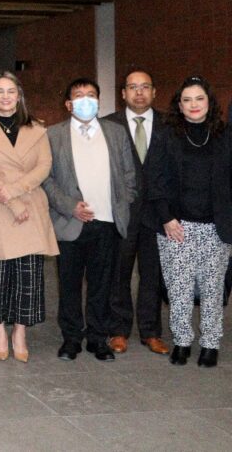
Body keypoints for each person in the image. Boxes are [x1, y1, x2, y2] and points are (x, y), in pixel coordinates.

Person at [43, 78, 137, 362]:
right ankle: (71, 338)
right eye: (79, 95)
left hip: (107, 222)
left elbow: (129, 175)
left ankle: (98, 337)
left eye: (91, 95)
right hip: (70, 222)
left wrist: (122, 201)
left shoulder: (116, 133)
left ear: (99, 100)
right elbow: (46, 179)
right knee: (69, 285)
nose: (86, 100)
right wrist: (70, 206)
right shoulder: (53, 135)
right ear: (68, 104)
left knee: (102, 285)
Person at [0, 72, 58, 362]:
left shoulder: (38, 128)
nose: (5, 97)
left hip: (29, 205)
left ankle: (20, 332)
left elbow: (44, 166)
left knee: (28, 275)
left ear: (19, 96)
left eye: (11, 91)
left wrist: (16, 192)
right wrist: (9, 199)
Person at [145, 76, 232, 367]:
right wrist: (167, 218)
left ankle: (210, 343)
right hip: (176, 226)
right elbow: (154, 179)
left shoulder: (224, 135)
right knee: (178, 287)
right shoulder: (166, 135)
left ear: (209, 102)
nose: (194, 105)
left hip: (215, 227)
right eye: (187, 100)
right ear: (179, 105)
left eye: (199, 98)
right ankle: (182, 341)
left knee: (212, 288)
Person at [104, 70, 169, 356]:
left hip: (157, 213)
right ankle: (118, 329)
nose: (139, 92)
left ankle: (151, 331)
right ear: (123, 93)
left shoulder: (170, 125)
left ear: (154, 92)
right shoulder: (108, 125)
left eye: (145, 87)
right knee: (118, 272)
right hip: (121, 212)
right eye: (132, 87)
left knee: (152, 274)